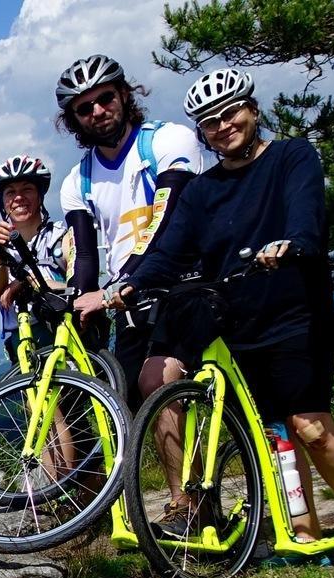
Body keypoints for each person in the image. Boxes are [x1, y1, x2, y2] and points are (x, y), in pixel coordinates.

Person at [106, 68, 334, 561]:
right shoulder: (202, 191)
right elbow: (171, 249)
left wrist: (293, 244)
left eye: (230, 114)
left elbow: (305, 214)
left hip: (296, 312)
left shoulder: (291, 156)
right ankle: (303, 532)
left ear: (253, 110)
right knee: (275, 432)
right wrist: (132, 282)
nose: (223, 126)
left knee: (309, 425)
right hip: (241, 322)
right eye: (209, 123)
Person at [55, 53, 206, 402]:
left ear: (124, 94)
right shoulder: (78, 180)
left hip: (188, 286)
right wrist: (78, 301)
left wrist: (116, 288)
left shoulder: (167, 141)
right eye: (84, 107)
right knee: (127, 411)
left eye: (105, 98)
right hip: (130, 304)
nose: (97, 111)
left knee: (159, 387)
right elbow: (85, 258)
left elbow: (165, 222)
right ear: (73, 119)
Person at [0, 155, 78, 358]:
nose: (18, 198)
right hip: (21, 341)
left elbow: (78, 290)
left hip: (65, 333)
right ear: (2, 202)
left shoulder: (63, 237)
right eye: (10, 192)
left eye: (27, 189)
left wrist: (24, 283)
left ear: (40, 195)